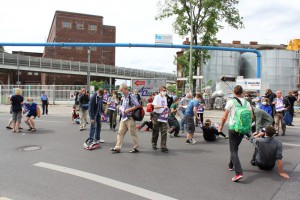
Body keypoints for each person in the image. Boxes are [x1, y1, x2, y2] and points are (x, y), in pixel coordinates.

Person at [219, 85, 252, 182]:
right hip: (243, 128)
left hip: (233, 128)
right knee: (235, 148)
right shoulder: (247, 102)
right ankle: (231, 165)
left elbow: (224, 117)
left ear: (234, 92)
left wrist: (221, 126)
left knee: (233, 150)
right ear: (242, 92)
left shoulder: (231, 101)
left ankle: (238, 173)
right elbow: (251, 116)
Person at [111, 83, 140, 153]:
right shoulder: (124, 96)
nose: (120, 92)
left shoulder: (131, 95)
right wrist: (120, 107)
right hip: (123, 118)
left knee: (132, 133)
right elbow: (124, 105)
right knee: (120, 133)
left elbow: (137, 105)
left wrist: (128, 110)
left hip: (130, 118)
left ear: (125, 89)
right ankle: (117, 147)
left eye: (121, 90)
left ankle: (136, 147)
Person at [151, 86, 169, 152]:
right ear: (160, 90)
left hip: (163, 115)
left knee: (164, 130)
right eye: (164, 90)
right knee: (155, 130)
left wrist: (166, 109)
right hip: (156, 115)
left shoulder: (165, 98)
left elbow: (165, 106)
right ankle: (154, 144)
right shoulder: (157, 97)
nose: (165, 92)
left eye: (165, 90)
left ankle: (163, 146)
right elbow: (155, 107)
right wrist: (163, 106)